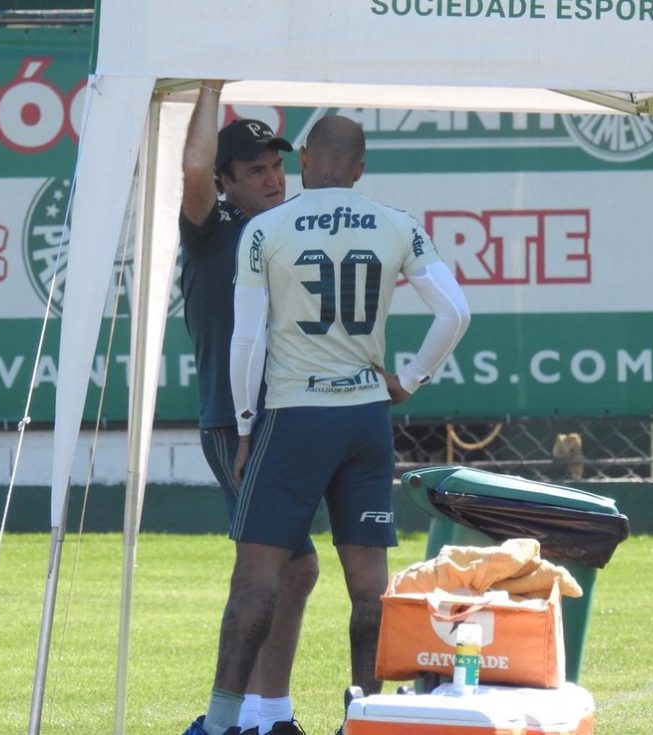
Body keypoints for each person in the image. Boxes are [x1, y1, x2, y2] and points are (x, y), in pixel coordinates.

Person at [185, 114, 472, 735]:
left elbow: (247, 340)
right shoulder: (399, 224)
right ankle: (364, 718)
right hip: (367, 418)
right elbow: (455, 312)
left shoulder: (266, 229)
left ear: (308, 159)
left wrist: (241, 425)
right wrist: (411, 378)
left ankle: (224, 722)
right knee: (371, 587)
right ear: (362, 167)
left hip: (294, 416)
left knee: (256, 578)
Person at [179, 81, 319, 735]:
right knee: (281, 569)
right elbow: (194, 168)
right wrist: (211, 83)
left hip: (284, 417)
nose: (272, 177)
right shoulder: (214, 229)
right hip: (231, 421)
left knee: (290, 570)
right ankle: (244, 719)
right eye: (256, 170)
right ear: (229, 183)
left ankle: (261, 716)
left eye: (276, 165)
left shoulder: (287, 231)